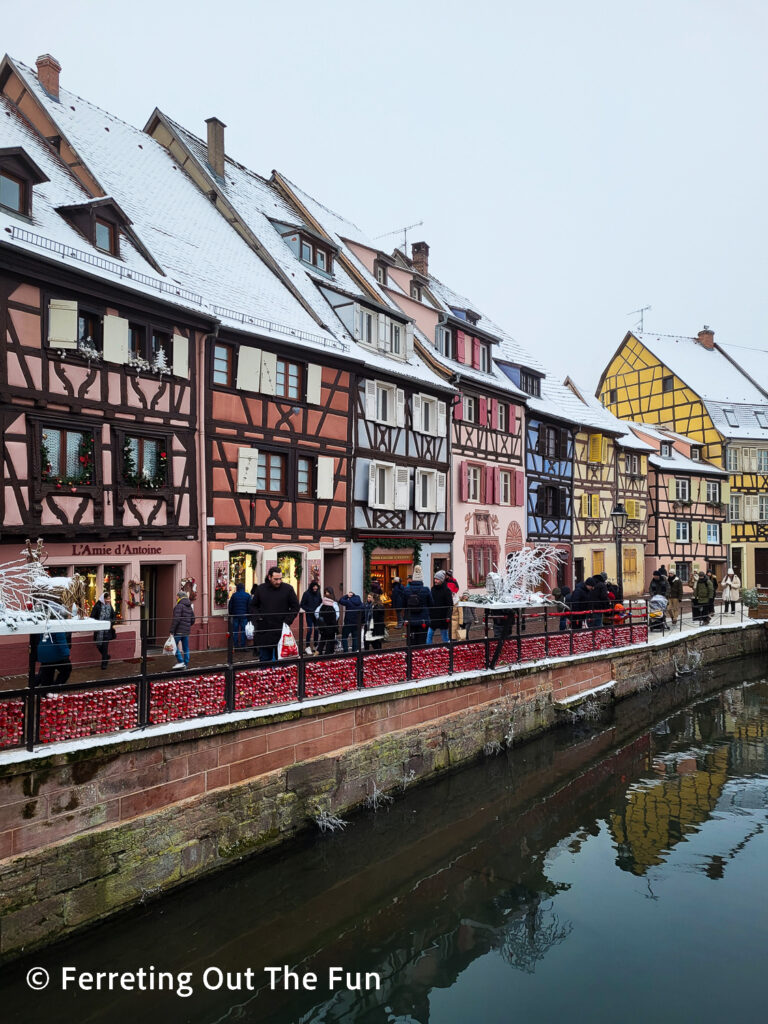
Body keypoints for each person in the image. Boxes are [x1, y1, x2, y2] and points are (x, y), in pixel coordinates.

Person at [249, 566, 300, 663]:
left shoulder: (288, 589)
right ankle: (265, 677)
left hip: (281, 629)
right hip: (264, 629)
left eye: (280, 579)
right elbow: (253, 606)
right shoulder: (261, 589)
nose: (278, 582)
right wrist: (258, 617)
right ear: (269, 577)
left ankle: (281, 678)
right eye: (276, 579)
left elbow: (295, 606)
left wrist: (287, 621)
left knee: (281, 659)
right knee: (264, 659)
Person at [403, 566, 433, 646]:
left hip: (410, 619)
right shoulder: (426, 590)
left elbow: (403, 604)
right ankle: (420, 657)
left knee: (411, 641)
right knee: (422, 640)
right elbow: (431, 604)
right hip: (423, 619)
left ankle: (410, 656)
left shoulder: (406, 590)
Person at [170, 588, 196, 668]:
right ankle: (186, 663)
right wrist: (188, 625)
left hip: (178, 631)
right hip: (186, 631)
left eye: (176, 596)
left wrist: (171, 630)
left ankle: (181, 661)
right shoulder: (189, 606)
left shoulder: (179, 606)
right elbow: (193, 619)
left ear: (179, 597)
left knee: (173, 646)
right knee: (186, 648)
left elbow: (176, 619)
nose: (176, 598)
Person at [91, 592, 116, 669]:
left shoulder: (110, 606)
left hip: (107, 630)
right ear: (103, 599)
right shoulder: (97, 606)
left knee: (105, 647)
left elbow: (113, 616)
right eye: (107, 599)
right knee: (99, 646)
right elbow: (92, 616)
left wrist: (110, 623)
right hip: (99, 630)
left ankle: (104, 664)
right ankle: (106, 656)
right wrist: (98, 623)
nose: (109, 600)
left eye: (109, 598)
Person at [427, 570, 453, 644]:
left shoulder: (447, 591)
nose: (435, 580)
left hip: (443, 617)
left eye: (437, 579)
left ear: (441, 580)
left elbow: (450, 605)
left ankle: (448, 649)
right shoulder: (433, 589)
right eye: (435, 579)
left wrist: (448, 617)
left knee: (444, 636)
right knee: (429, 635)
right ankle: (428, 650)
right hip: (433, 616)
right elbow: (430, 602)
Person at [315, 586, 340, 656]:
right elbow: (336, 616)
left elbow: (317, 613)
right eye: (326, 593)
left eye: (327, 593)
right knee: (329, 641)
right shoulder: (332, 605)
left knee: (322, 640)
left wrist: (321, 620)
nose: (326, 594)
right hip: (330, 626)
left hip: (324, 626)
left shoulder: (323, 604)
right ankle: (327, 655)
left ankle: (318, 653)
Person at [299, 579, 322, 654]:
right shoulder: (306, 593)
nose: (315, 588)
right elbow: (302, 604)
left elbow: (320, 602)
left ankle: (315, 645)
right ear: (311, 586)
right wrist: (309, 610)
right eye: (314, 586)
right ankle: (307, 646)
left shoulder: (318, 593)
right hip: (309, 614)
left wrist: (319, 609)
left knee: (316, 630)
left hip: (316, 614)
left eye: (316, 586)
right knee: (309, 629)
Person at [227, 582, 251, 649]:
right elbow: (249, 606)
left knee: (235, 631)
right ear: (243, 588)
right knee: (244, 631)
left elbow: (230, 605)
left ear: (237, 588)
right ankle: (243, 646)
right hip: (244, 616)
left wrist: (231, 614)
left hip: (235, 616)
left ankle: (235, 645)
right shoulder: (247, 595)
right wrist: (249, 616)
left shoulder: (234, 595)